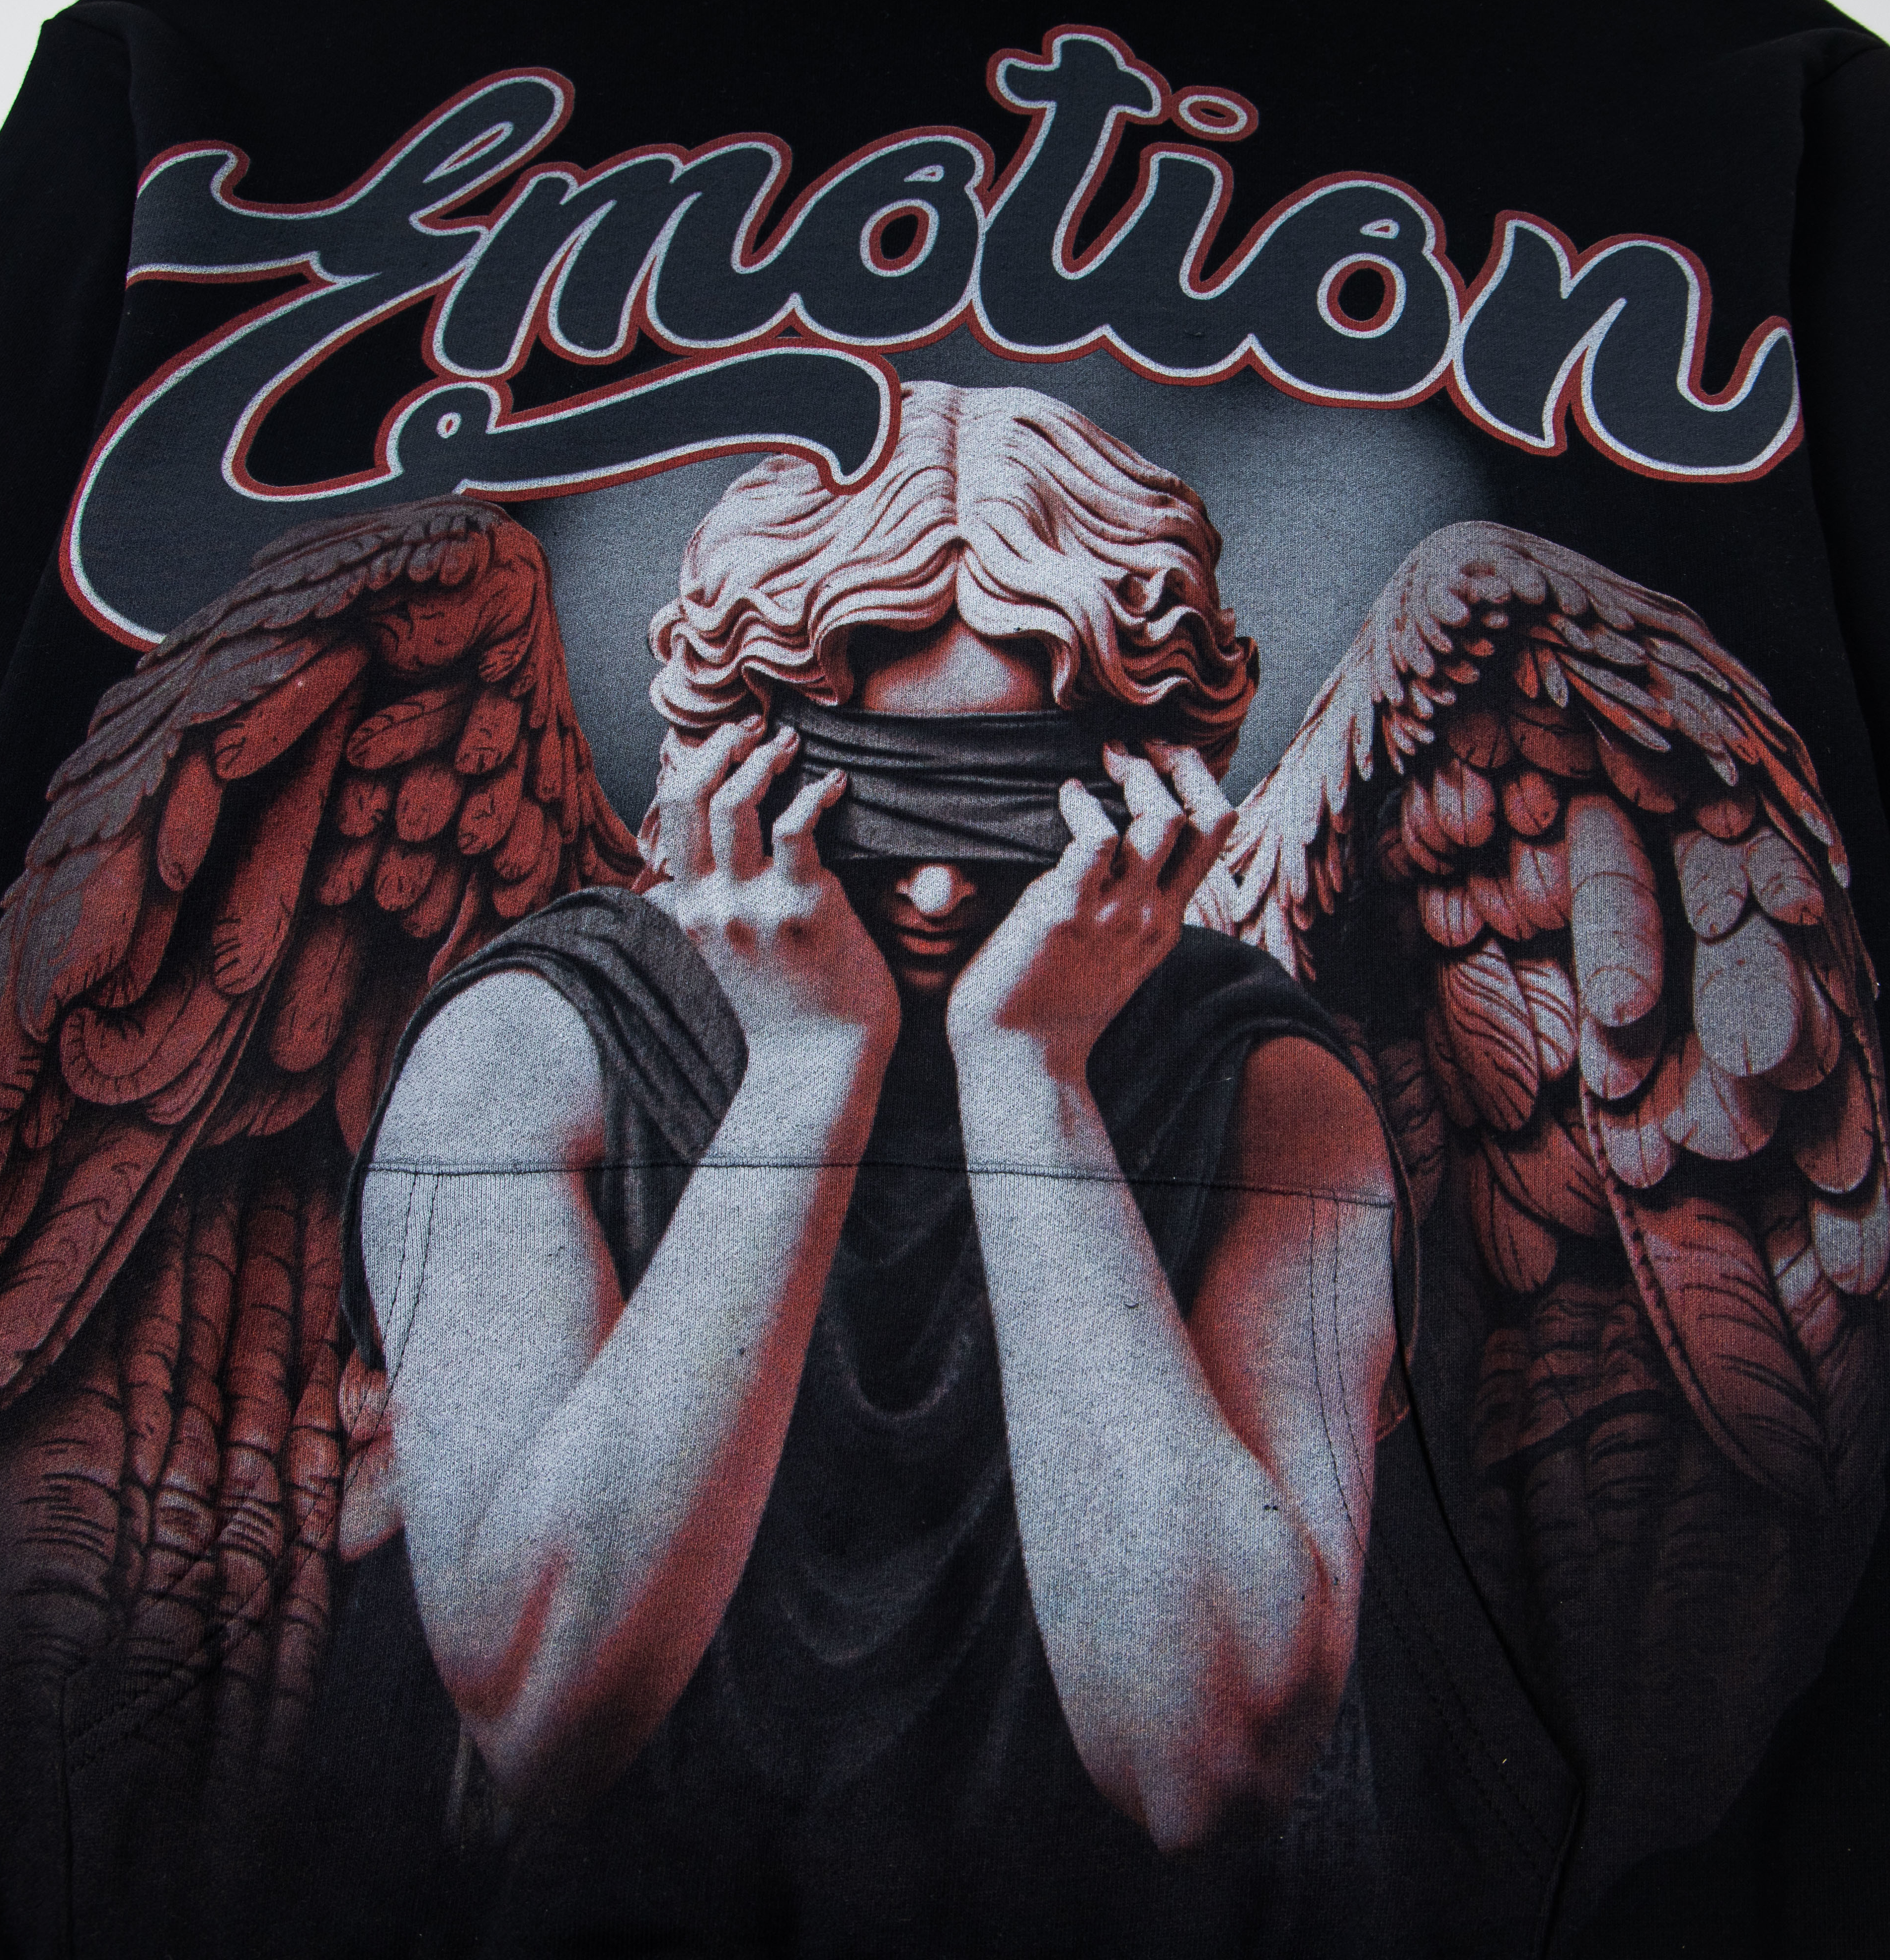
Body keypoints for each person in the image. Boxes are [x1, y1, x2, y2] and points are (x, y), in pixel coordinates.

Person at [330, 383, 1400, 1953]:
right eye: (876, 804)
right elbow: (540, 1713)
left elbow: (1211, 1761)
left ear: (1151, 791)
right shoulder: (525, 1052)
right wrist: (809, 1066)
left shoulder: (1272, 1094)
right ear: (729, 770)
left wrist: (1030, 1071)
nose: (944, 886)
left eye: (1011, 811)